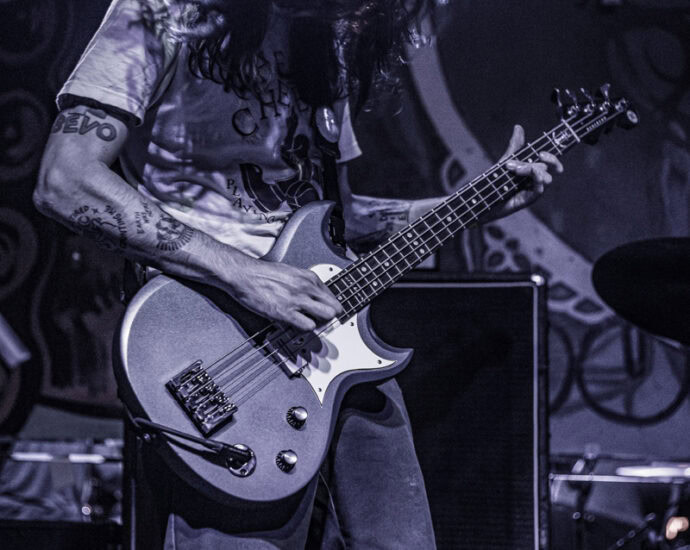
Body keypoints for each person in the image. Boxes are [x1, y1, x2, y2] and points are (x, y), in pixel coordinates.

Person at [34, 0, 564, 547]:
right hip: (216, 347)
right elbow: (65, 180)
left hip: (331, 340)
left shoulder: (328, 37)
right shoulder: (160, 11)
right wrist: (244, 274)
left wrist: (467, 204)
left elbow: (339, 221)